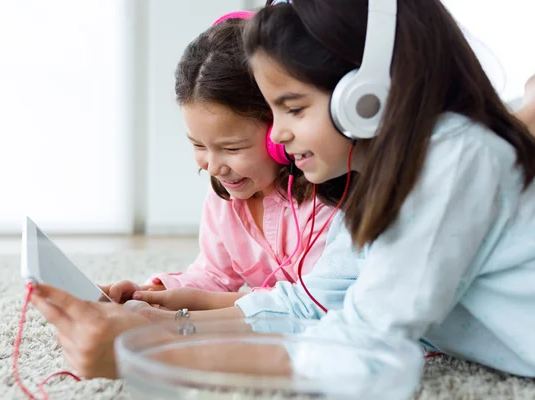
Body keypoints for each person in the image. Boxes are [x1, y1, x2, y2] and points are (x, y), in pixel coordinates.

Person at [32, 0, 535, 380]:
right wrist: (157, 323)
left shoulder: (454, 160)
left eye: (293, 108)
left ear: (367, 99)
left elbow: (366, 355)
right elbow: (312, 305)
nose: (279, 134)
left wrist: (141, 355)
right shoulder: (384, 172)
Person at [100, 14, 336, 306]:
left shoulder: (324, 198)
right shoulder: (225, 199)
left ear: (279, 127)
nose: (212, 166)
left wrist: (199, 308)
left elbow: (313, 302)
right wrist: (149, 294)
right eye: (198, 145)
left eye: (232, 148)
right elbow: (214, 276)